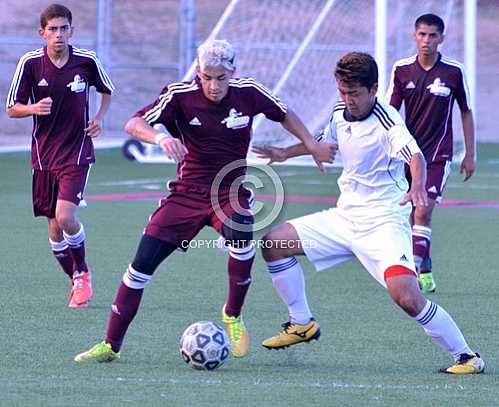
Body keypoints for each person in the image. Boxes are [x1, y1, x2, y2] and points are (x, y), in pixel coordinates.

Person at [74, 39, 334, 363]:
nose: (212, 85)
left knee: (242, 236)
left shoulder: (249, 92)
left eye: (220, 78)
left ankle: (233, 315)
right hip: (186, 194)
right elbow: (133, 123)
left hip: (230, 192)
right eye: (206, 77)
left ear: (232, 72)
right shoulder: (179, 95)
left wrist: (310, 143)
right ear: (198, 72)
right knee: (140, 267)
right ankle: (110, 345)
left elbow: (284, 113)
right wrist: (161, 137)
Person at [253, 52, 484, 374]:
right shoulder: (338, 113)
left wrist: (417, 186)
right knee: (273, 243)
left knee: (407, 297)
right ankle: (302, 323)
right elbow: (321, 143)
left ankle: (467, 356)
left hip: (383, 221)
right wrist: (283, 153)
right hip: (345, 217)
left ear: (374, 89)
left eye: (355, 94)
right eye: (343, 93)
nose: (349, 100)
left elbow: (414, 155)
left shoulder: (387, 119)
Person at [5, 4, 114, 308]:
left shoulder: (86, 60)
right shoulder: (30, 64)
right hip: (43, 156)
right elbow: (11, 107)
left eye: (63, 28)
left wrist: (100, 118)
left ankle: (82, 275)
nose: (58, 34)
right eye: (52, 29)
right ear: (42, 33)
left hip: (77, 152)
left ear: (71, 30)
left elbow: (107, 90)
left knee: (66, 216)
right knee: (53, 228)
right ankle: (74, 279)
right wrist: (32, 108)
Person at [385, 13, 475, 293]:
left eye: (432, 35)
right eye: (422, 34)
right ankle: (425, 268)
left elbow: (466, 111)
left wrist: (470, 154)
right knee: (411, 216)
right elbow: (389, 113)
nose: (426, 40)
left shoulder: (454, 72)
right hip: (406, 156)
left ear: (442, 39)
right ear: (414, 36)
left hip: (438, 156)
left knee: (423, 212)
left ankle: (411, 272)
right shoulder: (401, 70)